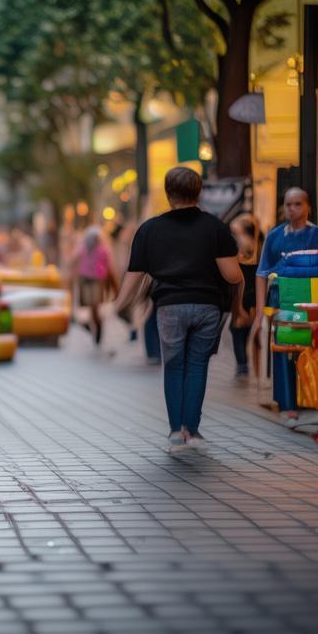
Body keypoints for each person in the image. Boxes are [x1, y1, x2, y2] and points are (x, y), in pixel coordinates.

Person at [117, 168, 245, 450]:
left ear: (167, 192)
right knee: (197, 365)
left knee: (174, 366)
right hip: (207, 305)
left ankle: (176, 430)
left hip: (169, 306)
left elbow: (134, 275)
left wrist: (119, 305)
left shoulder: (150, 229)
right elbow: (231, 275)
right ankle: (193, 429)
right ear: (199, 192)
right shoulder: (215, 227)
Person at [251, 188, 318, 425]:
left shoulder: (317, 234)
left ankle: (310, 400)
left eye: (297, 204)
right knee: (284, 351)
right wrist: (260, 310)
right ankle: (288, 404)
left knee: (309, 349)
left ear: (308, 207)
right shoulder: (274, 236)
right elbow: (262, 272)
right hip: (281, 302)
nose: (292, 209)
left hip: (309, 301)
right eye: (288, 204)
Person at [229, 214, 261, 378]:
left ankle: (243, 365)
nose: (235, 237)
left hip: (245, 296)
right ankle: (244, 364)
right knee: (243, 331)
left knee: (239, 331)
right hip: (251, 296)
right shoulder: (258, 249)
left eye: (237, 233)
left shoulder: (242, 251)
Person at [75, 225, 115, 345]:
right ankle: (94, 327)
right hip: (86, 280)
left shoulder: (103, 249)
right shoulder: (83, 248)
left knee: (95, 307)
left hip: (97, 281)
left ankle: (98, 327)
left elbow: (109, 267)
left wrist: (111, 283)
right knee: (89, 307)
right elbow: (74, 259)